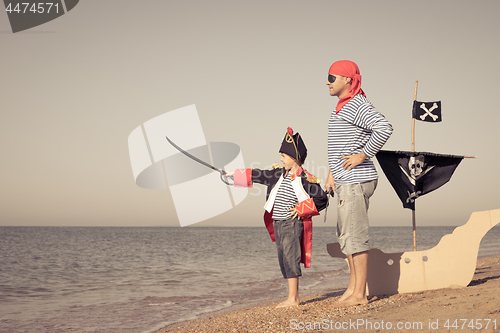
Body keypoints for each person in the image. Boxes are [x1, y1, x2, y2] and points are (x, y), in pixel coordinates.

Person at [226, 127, 328, 308]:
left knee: (291, 257)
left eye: (283, 156)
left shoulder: (306, 179)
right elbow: (257, 174)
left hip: (292, 224)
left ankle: (293, 299)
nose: (280, 159)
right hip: (278, 223)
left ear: (294, 158)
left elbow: (322, 198)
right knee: (283, 258)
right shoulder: (277, 174)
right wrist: (234, 175)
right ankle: (291, 296)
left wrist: (302, 209)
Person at [324, 60, 393, 308]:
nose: (327, 82)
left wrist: (363, 155)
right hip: (344, 180)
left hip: (356, 180)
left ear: (348, 80)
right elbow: (340, 146)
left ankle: (360, 295)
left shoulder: (357, 104)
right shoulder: (341, 107)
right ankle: (353, 288)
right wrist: (332, 173)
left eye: (332, 77)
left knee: (355, 237)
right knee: (346, 237)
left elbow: (384, 127)